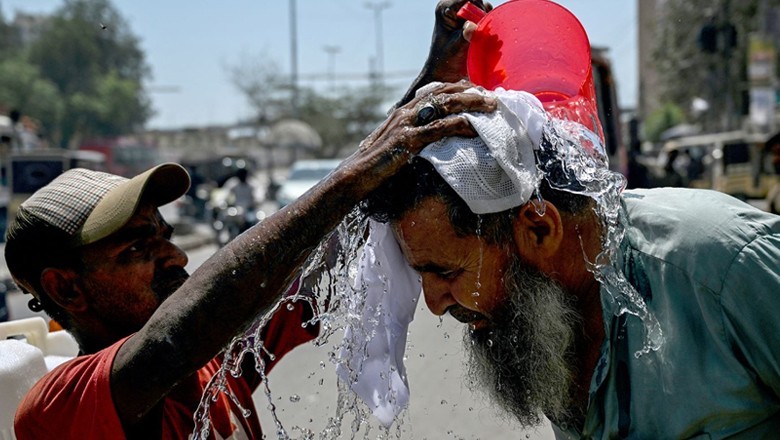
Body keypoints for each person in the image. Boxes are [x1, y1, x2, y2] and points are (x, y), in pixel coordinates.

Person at [359, 0, 780, 438]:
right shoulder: (549, 318)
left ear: (540, 229)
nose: (434, 303)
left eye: (447, 272)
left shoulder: (720, 264)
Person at [6, 79, 497, 437]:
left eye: (165, 237)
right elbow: (173, 339)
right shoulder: (58, 408)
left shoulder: (213, 362)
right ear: (66, 288)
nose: (175, 256)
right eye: (138, 248)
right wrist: (355, 174)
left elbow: (323, 245)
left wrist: (423, 101)